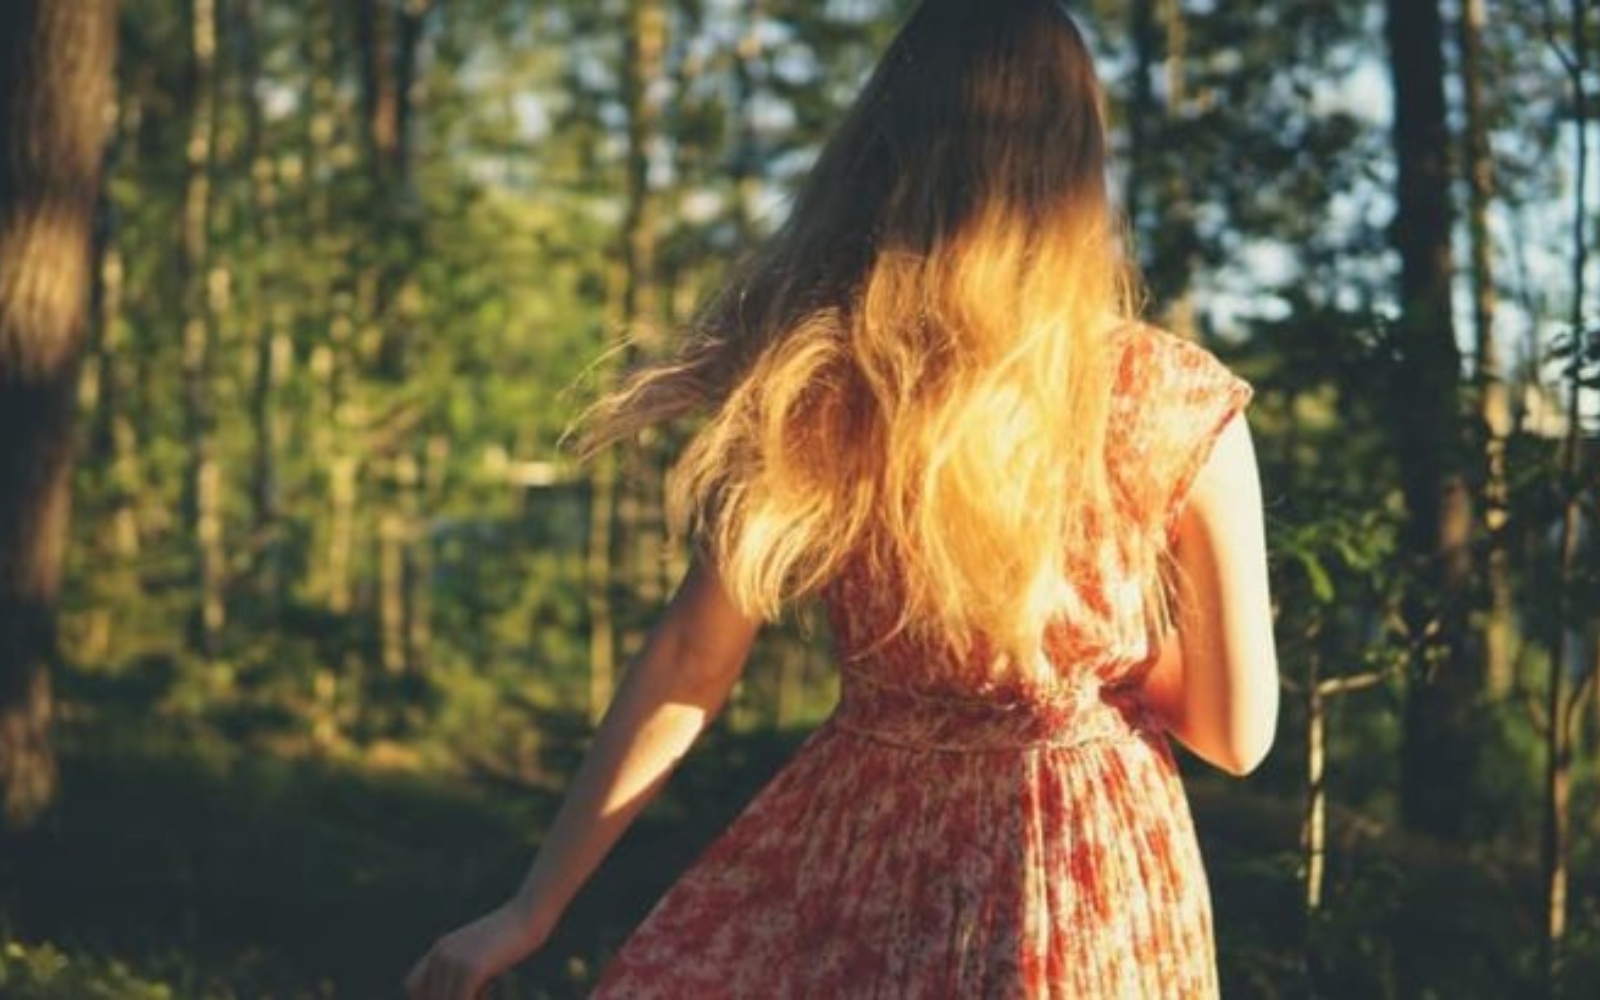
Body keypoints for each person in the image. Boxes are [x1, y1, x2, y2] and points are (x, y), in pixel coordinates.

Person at [404, 0, 1278, 996]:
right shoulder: (1171, 399)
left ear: (888, 146)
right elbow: (1236, 733)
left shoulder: (828, 379)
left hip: (863, 848)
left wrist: (530, 910)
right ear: (1078, 161)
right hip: (1075, 866)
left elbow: (694, 657)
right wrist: (1091, 655)